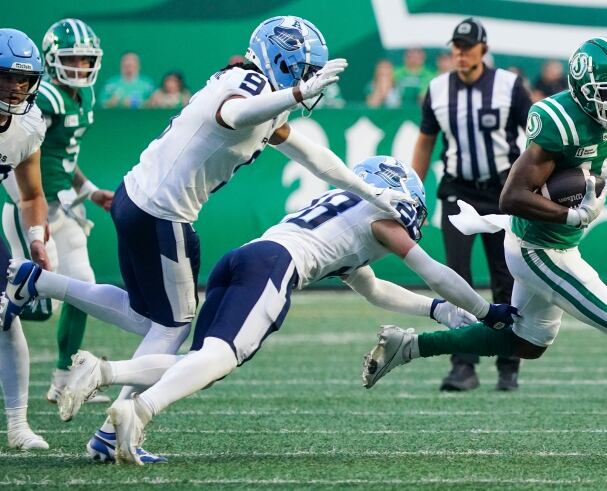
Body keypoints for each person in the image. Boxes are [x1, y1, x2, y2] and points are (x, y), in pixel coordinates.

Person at [1, 15, 413, 463]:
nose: (311, 81)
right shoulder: (251, 88)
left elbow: (314, 156)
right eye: (306, 72)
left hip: (137, 199)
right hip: (163, 213)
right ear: (283, 62)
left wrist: (367, 190)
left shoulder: (259, 92)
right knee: (175, 328)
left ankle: (35, 282)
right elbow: (234, 113)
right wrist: (294, 93)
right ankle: (110, 429)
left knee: (144, 316)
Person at [362, 37, 607, 462]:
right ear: (586, 91)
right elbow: (512, 196)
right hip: (539, 249)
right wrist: (569, 217)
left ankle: (410, 347)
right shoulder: (558, 121)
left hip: (556, 244)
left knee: (526, 343)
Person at [16, 156, 516, 464]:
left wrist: (437, 311)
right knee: (221, 358)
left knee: (203, 362)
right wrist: (481, 306)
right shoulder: (381, 217)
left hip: (246, 256)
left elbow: (374, 289)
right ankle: (114, 382)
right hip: (276, 267)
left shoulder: (343, 215)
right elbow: (432, 269)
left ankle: (107, 435)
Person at [412, 17, 531, 391]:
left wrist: (534, 185)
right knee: (456, 278)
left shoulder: (509, 86)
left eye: (467, 47)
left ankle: (509, 363)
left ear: (483, 48)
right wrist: (412, 190)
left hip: (502, 192)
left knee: (506, 276)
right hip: (458, 192)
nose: (460, 53)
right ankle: (463, 364)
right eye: (456, 47)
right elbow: (425, 141)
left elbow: (537, 138)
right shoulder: (436, 90)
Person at [7, 19, 115, 405]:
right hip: (30, 209)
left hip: (62, 206)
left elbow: (65, 157)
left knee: (83, 287)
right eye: (74, 59)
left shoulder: (83, 98)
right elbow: (21, 153)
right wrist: (27, 210)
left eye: (87, 60)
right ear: (52, 61)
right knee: (31, 305)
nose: (81, 67)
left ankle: (64, 378)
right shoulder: (45, 98)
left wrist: (87, 190)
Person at [0, 28, 52, 450]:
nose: (15, 88)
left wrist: (36, 238)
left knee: (5, 317)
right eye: (5, 77)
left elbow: (32, 194)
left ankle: (17, 425)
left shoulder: (28, 127)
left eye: (23, 79)